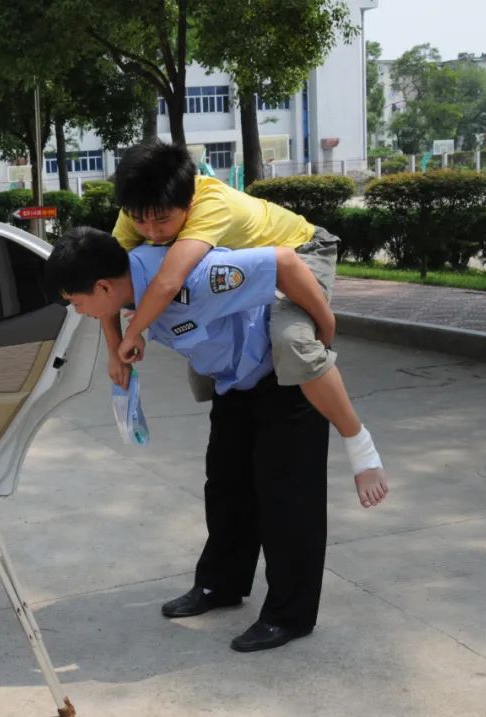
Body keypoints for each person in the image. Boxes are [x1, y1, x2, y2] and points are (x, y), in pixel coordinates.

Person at [45, 226, 341, 652]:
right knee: (225, 487)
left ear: (103, 287)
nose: (79, 312)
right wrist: (117, 346)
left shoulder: (192, 276)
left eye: (77, 303)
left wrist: (324, 328)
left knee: (288, 499)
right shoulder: (127, 285)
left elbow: (283, 262)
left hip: (283, 378)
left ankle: (289, 615)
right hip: (234, 383)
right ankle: (221, 584)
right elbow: (109, 307)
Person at [107, 139, 387, 509]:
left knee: (293, 342)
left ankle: (360, 444)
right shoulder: (140, 208)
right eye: (140, 220)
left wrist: (325, 320)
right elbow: (107, 280)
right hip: (251, 268)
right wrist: (114, 350)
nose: (151, 232)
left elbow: (169, 282)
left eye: (162, 220)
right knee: (204, 357)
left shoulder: (210, 203)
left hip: (300, 254)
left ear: (188, 202)